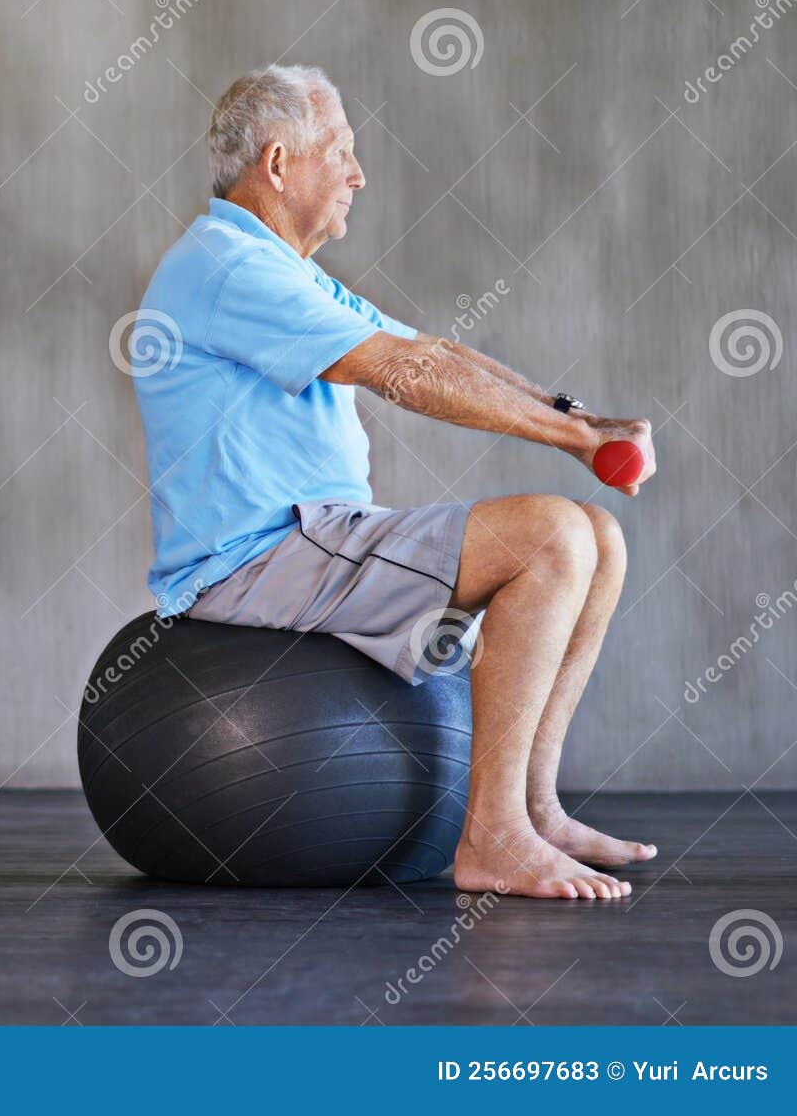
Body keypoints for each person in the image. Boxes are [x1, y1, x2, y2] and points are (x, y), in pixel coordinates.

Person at [132, 64, 658, 901]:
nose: (356, 173)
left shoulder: (285, 270)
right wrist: (573, 441)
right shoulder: (231, 270)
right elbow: (400, 374)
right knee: (552, 535)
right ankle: (492, 839)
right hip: (258, 556)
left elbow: (435, 352)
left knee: (599, 536)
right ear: (278, 164)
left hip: (317, 536)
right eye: (339, 152)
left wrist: (580, 420)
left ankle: (533, 807)